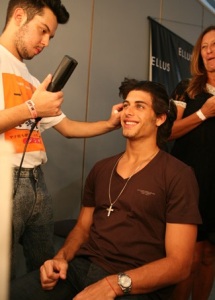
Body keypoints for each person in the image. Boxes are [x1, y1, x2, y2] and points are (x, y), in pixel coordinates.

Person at [10, 78, 202, 300]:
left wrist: (114, 285)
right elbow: (82, 229)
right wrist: (61, 257)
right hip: (81, 269)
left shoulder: (178, 175)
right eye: (126, 105)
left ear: (159, 118)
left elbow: (179, 264)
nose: (128, 112)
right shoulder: (102, 169)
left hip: (135, 282)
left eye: (140, 106)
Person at [0, 0, 122, 279]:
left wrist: (110, 125)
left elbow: (67, 127)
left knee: (46, 270)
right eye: (42, 31)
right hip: (4, 179)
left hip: (37, 182)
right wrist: (32, 108)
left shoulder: (30, 78)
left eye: (50, 37)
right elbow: (33, 112)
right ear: (19, 16)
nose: (46, 42)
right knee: (2, 274)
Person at [169, 26, 215, 300]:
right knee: (188, 257)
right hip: (189, 184)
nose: (210, 51)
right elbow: (168, 132)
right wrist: (203, 114)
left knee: (209, 256)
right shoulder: (186, 89)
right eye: (206, 46)